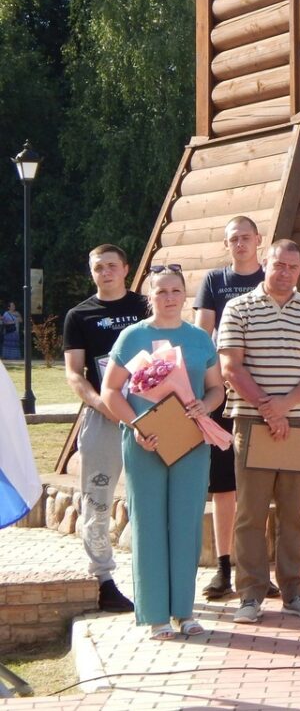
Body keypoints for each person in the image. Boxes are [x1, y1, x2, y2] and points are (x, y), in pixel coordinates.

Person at [100, 265, 225, 640]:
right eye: (161, 291)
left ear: (184, 294)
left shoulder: (200, 339)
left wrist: (207, 406)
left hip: (190, 442)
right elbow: (110, 392)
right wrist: (136, 425)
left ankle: (184, 613)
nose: (169, 297)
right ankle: (154, 615)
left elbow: (216, 388)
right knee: (149, 525)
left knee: (186, 524)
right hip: (144, 443)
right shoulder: (131, 336)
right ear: (149, 296)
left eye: (175, 290)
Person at [219, 240, 300, 625]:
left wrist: (284, 407)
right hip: (252, 422)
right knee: (250, 512)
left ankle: (295, 592)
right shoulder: (238, 308)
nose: (284, 272)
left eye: (292, 267)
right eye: (278, 264)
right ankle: (250, 595)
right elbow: (231, 366)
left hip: (299, 422)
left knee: (294, 513)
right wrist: (269, 408)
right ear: (264, 264)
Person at [63, 244, 148, 613]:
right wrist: (104, 405)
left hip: (149, 414)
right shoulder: (79, 315)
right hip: (103, 418)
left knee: (148, 499)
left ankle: (154, 579)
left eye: (112, 266)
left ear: (126, 269)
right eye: (99, 267)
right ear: (92, 271)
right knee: (96, 499)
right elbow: (74, 374)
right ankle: (103, 580)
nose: (106, 272)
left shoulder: (145, 307)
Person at [193, 216, 267, 601]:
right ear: (227, 245)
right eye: (233, 239)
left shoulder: (274, 278)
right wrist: (215, 381)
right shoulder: (214, 282)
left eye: (245, 237)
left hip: (264, 396)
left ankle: (260, 569)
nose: (240, 244)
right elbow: (202, 335)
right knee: (225, 487)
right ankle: (225, 567)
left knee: (262, 486)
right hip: (224, 396)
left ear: (259, 240)